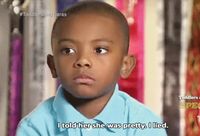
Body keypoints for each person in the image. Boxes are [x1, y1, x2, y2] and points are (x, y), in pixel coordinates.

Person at [16, 1, 167, 136]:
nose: (83, 60)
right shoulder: (36, 126)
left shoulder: (145, 125)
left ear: (125, 65)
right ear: (53, 65)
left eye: (100, 50)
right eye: (68, 50)